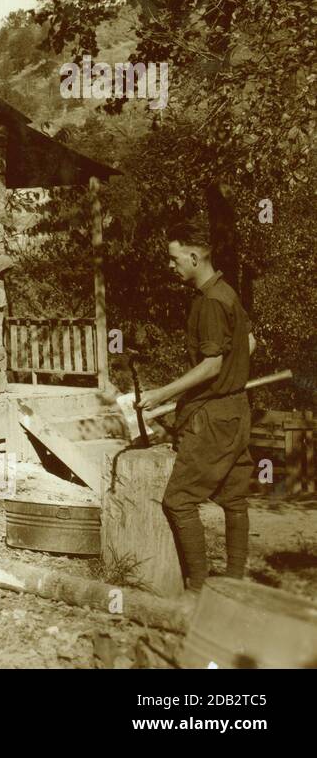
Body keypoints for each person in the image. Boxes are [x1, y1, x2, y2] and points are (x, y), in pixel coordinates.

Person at [139, 219, 256, 593]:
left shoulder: (210, 302)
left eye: (174, 259)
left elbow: (212, 364)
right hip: (238, 409)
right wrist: (233, 375)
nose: (171, 266)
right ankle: (235, 585)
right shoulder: (227, 292)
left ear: (193, 257)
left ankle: (197, 590)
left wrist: (162, 395)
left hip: (214, 417)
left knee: (178, 500)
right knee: (234, 499)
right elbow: (249, 342)